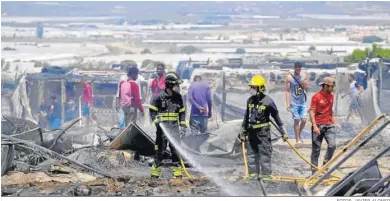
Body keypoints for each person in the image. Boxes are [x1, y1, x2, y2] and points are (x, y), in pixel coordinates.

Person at [240, 75, 288, 180]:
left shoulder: (268, 101)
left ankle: (266, 176)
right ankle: (253, 176)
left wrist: (283, 132)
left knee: (264, 153)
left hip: (263, 133)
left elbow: (276, 117)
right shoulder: (250, 101)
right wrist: (242, 131)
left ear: (260, 88)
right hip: (251, 131)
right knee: (251, 154)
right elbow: (246, 116)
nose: (251, 89)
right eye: (251, 87)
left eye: (253, 87)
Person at [149, 72, 187, 178]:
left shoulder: (178, 97)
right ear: (170, 85)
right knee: (159, 152)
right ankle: (154, 176)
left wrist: (183, 126)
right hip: (162, 131)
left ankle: (178, 175)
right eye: (176, 85)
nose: (178, 87)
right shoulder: (159, 97)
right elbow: (152, 111)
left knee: (175, 152)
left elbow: (182, 112)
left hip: (174, 130)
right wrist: (157, 123)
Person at [309, 77, 337, 175]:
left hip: (329, 125)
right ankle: (314, 172)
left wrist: (334, 121)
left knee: (332, 145)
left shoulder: (331, 97)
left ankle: (325, 167)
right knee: (316, 150)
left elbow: (330, 110)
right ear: (325, 86)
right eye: (331, 87)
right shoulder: (316, 97)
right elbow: (311, 111)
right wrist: (315, 126)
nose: (332, 89)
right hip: (318, 125)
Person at [286, 61, 308, 144]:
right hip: (294, 102)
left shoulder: (303, 76)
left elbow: (307, 88)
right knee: (296, 120)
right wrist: (288, 104)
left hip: (302, 102)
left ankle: (299, 134)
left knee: (304, 120)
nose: (299, 69)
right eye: (297, 67)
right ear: (295, 68)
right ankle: (297, 139)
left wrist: (304, 84)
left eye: (300, 68)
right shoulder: (289, 77)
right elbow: (287, 91)